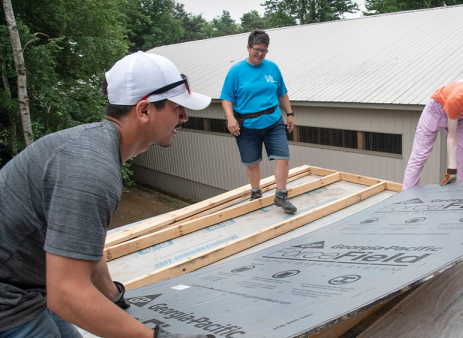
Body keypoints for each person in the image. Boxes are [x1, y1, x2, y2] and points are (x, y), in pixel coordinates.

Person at [0, 52, 215, 338]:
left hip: (29, 285)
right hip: (10, 298)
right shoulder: (90, 171)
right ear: (144, 110)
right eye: (178, 108)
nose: (185, 117)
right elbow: (66, 296)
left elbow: (81, 246)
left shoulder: (95, 147)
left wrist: (114, 297)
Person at [221, 29, 297, 214]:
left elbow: (282, 92)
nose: (260, 54)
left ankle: (281, 195)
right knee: (252, 162)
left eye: (264, 50)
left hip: (273, 121)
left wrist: (290, 113)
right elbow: (226, 98)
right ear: (248, 47)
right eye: (257, 49)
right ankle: (256, 193)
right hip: (247, 125)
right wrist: (230, 118)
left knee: (283, 157)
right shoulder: (236, 71)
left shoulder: (272, 67)